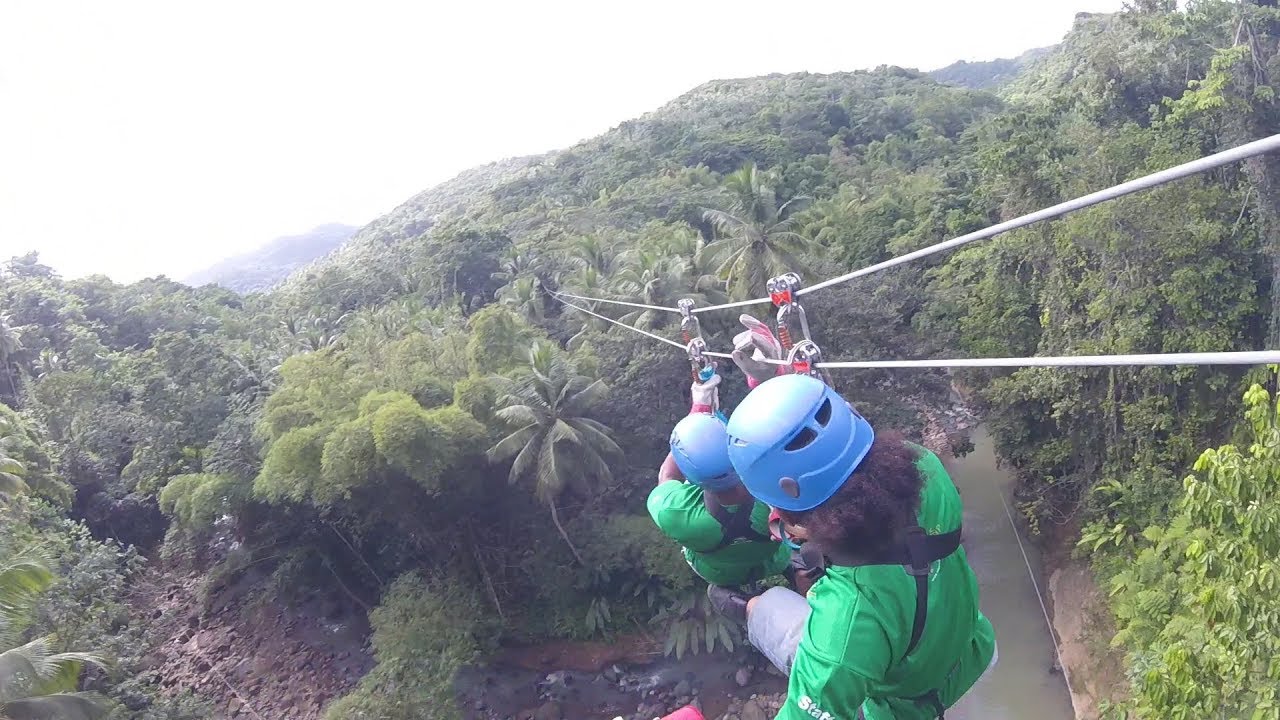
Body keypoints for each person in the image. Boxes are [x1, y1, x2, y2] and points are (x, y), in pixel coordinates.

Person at [710, 370, 997, 720]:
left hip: (905, 707)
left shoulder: (845, 624)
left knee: (768, 607)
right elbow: (843, 464)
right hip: (972, 649)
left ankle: (748, 608)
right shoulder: (925, 466)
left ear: (793, 511)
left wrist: (802, 532)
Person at [646, 366, 791, 589]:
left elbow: (667, 476)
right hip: (774, 558)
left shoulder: (675, 513)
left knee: (720, 584)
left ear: (691, 477)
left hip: (718, 571)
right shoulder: (777, 495)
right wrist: (767, 386)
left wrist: (698, 411)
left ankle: (739, 601)